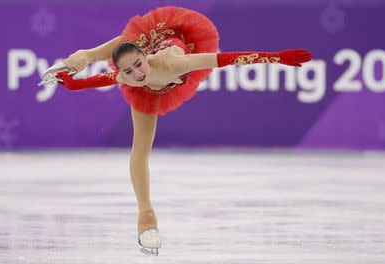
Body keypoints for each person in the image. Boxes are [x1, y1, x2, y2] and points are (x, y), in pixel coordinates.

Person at [48, 5, 312, 255]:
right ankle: (146, 217)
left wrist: (277, 58)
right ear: (122, 75)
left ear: (144, 57)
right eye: (128, 72)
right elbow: (95, 80)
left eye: (138, 65)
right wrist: (70, 83)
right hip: (146, 78)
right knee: (140, 148)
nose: (137, 73)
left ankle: (86, 55)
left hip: (172, 39)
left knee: (118, 50)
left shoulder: (172, 64)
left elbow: (227, 59)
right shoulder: (125, 76)